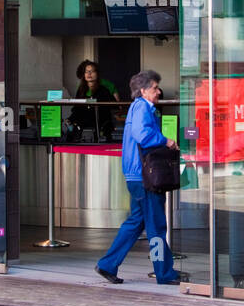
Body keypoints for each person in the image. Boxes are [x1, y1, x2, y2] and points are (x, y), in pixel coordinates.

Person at [95, 69, 184, 285]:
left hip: (136, 177)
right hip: (145, 178)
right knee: (156, 227)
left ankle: (107, 264)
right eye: (154, 87)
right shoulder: (143, 107)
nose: (159, 91)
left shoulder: (138, 107)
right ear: (143, 91)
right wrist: (166, 141)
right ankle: (164, 273)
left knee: (136, 222)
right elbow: (143, 135)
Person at [68, 59, 120, 141]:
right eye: (86, 71)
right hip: (83, 125)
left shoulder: (104, 90)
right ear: (84, 75)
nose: (89, 74)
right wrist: (71, 119)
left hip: (100, 125)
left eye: (92, 71)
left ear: (97, 74)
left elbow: (114, 107)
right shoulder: (81, 90)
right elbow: (77, 108)